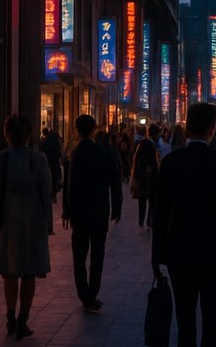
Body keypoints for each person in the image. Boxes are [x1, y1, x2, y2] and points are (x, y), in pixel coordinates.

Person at [153, 102, 216, 347]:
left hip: (179, 254)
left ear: (187, 128)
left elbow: (160, 213)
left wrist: (157, 258)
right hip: (214, 255)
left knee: (185, 322)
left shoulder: (171, 163)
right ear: (212, 128)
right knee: (212, 320)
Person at [0, 115, 52, 340]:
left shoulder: (2, 159)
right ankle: (24, 318)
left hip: (10, 217)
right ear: (29, 135)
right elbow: (46, 192)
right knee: (30, 271)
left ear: (7, 135)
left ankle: (10, 316)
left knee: (10, 271)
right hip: (34, 217)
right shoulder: (39, 159)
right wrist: (48, 223)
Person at [62, 114, 122, 313]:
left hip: (79, 210)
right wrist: (117, 206)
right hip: (99, 209)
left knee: (79, 254)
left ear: (77, 129)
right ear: (95, 128)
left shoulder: (75, 153)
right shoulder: (103, 153)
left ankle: (84, 293)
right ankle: (93, 292)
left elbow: (69, 184)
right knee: (98, 252)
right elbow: (114, 181)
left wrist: (66, 210)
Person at [131, 124, 161, 228]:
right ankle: (149, 219)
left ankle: (141, 220)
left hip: (141, 177)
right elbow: (154, 164)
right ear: (156, 134)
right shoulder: (152, 147)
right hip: (151, 177)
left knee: (142, 199)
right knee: (152, 200)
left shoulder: (141, 144)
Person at [41, 127, 63, 204]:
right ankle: (54, 195)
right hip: (55, 161)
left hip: (49, 161)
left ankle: (52, 194)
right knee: (54, 178)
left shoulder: (47, 140)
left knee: (51, 178)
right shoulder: (55, 139)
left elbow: (44, 149)